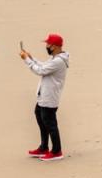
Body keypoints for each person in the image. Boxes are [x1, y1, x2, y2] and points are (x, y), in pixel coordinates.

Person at [21, 33, 70, 161]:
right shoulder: (55, 58)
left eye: (48, 44)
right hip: (43, 96)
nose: (46, 46)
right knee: (41, 118)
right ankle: (43, 148)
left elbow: (40, 71)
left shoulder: (59, 61)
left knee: (50, 124)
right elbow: (43, 66)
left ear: (54, 46)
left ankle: (56, 151)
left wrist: (27, 60)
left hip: (49, 98)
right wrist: (31, 58)